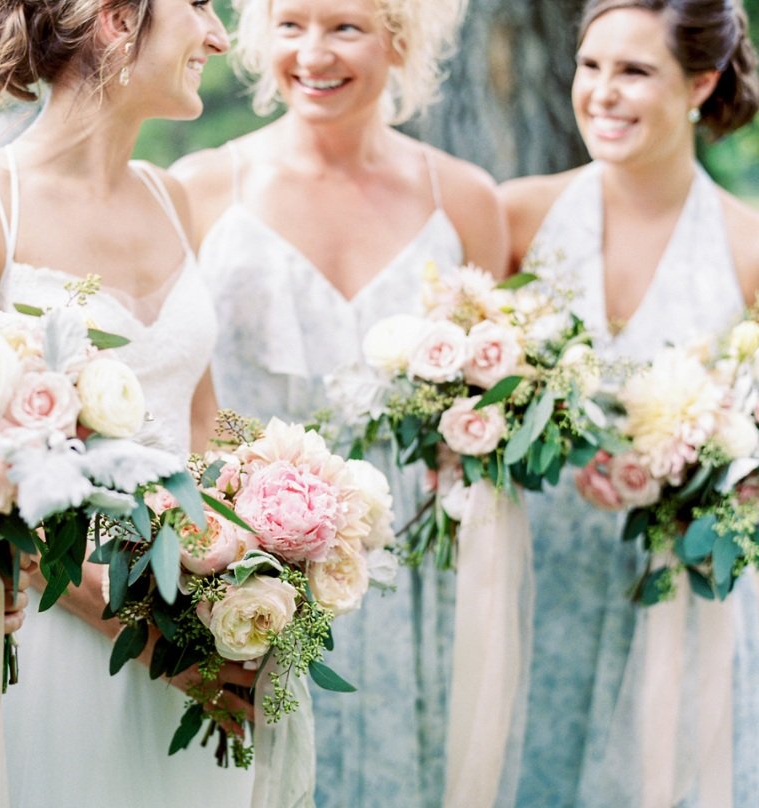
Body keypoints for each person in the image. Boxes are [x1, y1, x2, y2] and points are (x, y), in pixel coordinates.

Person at [171, 0, 508, 804]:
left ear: (400, 37)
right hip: (248, 568)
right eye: (290, 25)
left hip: (412, 578)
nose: (312, 52)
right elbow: (176, 393)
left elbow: (485, 414)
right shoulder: (200, 187)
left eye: (344, 27)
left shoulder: (465, 199)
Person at [0, 1, 256, 805]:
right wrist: (161, 643)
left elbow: (204, 418)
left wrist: (275, 544)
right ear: (119, 20)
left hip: (198, 629)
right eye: (196, 6)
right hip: (56, 646)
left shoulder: (171, 197)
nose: (219, 36)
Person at [500, 1, 759, 805]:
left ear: (700, 82)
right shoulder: (518, 215)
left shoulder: (748, 250)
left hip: (679, 604)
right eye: (591, 66)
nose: (603, 93)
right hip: (528, 589)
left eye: (635, 71)